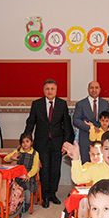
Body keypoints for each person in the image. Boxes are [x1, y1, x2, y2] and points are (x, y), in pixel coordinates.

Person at [25, 79, 74, 208]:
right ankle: (45, 196)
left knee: (55, 170)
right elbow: (30, 123)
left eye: (52, 89)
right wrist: (25, 140)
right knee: (44, 169)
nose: (50, 91)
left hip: (58, 143)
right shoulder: (37, 104)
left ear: (56, 90)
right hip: (42, 143)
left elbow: (67, 125)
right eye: (47, 89)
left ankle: (53, 194)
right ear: (44, 90)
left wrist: (66, 144)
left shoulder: (62, 104)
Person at [73, 81, 109, 163]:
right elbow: (76, 120)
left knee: (103, 164)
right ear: (88, 89)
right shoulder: (81, 104)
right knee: (85, 163)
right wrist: (90, 128)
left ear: (100, 89)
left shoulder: (105, 103)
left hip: (102, 139)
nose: (94, 90)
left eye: (96, 87)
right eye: (91, 88)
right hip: (86, 138)